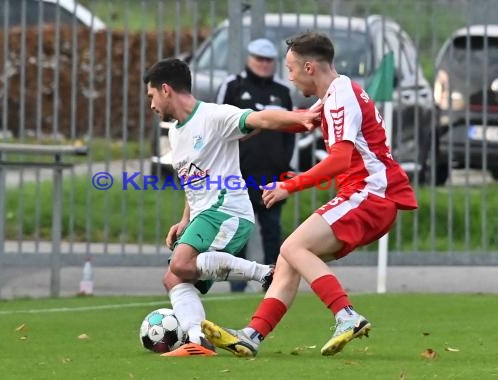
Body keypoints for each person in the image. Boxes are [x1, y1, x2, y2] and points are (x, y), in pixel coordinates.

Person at [201, 32, 418, 357]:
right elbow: (301, 121)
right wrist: (241, 128)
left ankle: (346, 315)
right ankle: (252, 335)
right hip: (368, 195)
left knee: (293, 246)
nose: (288, 77)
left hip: (370, 194)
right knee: (290, 258)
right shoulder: (334, 95)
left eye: (290, 69)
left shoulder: (340, 97)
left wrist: (290, 184)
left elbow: (340, 159)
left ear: (309, 66)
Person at [142, 58, 320, 356]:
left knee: (180, 265)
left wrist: (299, 117)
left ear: (166, 89)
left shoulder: (214, 116)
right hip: (204, 215)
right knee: (174, 277)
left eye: (151, 96)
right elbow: (194, 178)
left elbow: (261, 119)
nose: (151, 105)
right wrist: (185, 219)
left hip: (227, 212)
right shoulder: (175, 132)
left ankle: (264, 272)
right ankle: (197, 340)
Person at [216, 38, 294, 292]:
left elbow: (290, 132)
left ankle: (273, 285)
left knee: (273, 233)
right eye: (259, 59)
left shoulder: (282, 92)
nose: (263, 64)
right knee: (239, 233)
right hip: (238, 176)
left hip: (272, 177)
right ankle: (237, 286)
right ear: (249, 58)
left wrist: (285, 167)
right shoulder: (233, 87)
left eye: (268, 60)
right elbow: (218, 126)